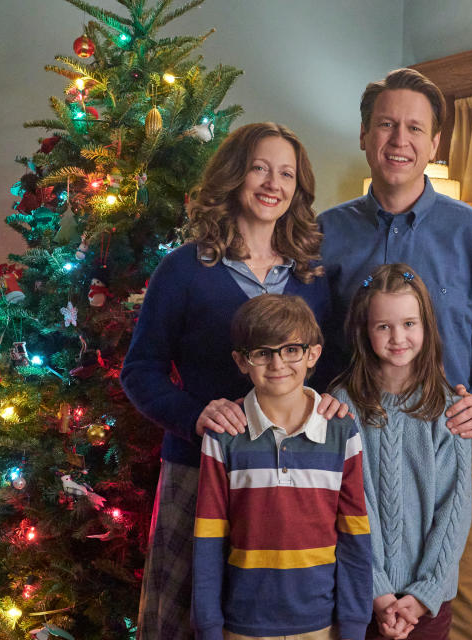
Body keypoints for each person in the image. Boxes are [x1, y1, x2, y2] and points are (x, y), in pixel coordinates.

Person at [318, 68, 472, 640]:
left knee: (463, 618)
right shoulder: (323, 235)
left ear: (435, 144)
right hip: (347, 473)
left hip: (441, 475)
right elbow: (304, 345)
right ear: (364, 135)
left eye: (415, 128)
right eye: (386, 124)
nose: (399, 140)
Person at [121, 122, 344, 640]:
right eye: (259, 168)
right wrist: (192, 417)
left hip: (291, 475)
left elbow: (330, 366)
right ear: (233, 176)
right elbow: (141, 370)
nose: (272, 183)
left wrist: (332, 402)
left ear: (298, 189)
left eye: (286, 173)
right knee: (184, 621)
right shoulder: (182, 271)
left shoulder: (311, 277)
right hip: (199, 471)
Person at [191, 294, 372, 640]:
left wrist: (352, 625)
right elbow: (208, 540)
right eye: (262, 352)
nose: (277, 364)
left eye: (291, 350)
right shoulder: (224, 436)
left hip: (321, 625)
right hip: (242, 625)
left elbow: (354, 538)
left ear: (312, 354)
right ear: (242, 361)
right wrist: (209, 628)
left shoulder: (341, 431)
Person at [334, 264, 471, 640]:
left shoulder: (449, 408)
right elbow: (345, 505)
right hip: (359, 594)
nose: (398, 337)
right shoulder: (341, 406)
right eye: (384, 326)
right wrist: (376, 588)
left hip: (427, 603)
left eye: (409, 323)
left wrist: (424, 594)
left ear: (426, 326)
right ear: (365, 330)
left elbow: (454, 510)